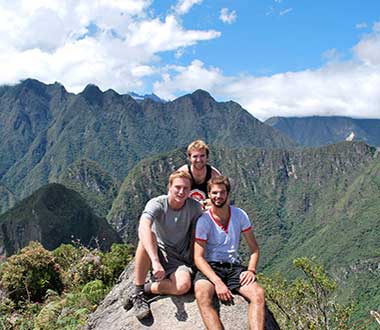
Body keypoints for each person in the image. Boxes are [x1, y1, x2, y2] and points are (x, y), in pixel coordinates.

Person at [128, 171, 203, 320]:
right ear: (169, 187)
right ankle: (137, 292)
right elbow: (143, 226)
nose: (181, 192)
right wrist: (155, 261)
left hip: (179, 259)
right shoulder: (157, 204)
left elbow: (203, 231)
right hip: (158, 252)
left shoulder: (194, 207)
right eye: (177, 187)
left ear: (190, 190)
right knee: (146, 237)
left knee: (183, 287)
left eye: (186, 188)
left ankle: (147, 289)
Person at [193, 176, 265, 330]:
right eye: (214, 193)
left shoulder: (240, 215)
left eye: (222, 192)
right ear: (209, 195)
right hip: (210, 267)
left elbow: (255, 249)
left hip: (233, 266)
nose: (218, 196)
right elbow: (198, 257)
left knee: (258, 294)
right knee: (202, 294)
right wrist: (217, 282)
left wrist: (251, 270)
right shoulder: (204, 221)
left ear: (228, 194)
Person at [177, 139, 221, 206]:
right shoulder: (182, 173)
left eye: (202, 156)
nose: (199, 160)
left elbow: (222, 199)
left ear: (207, 157)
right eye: (195, 156)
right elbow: (173, 196)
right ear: (189, 158)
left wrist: (203, 203)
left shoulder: (214, 175)